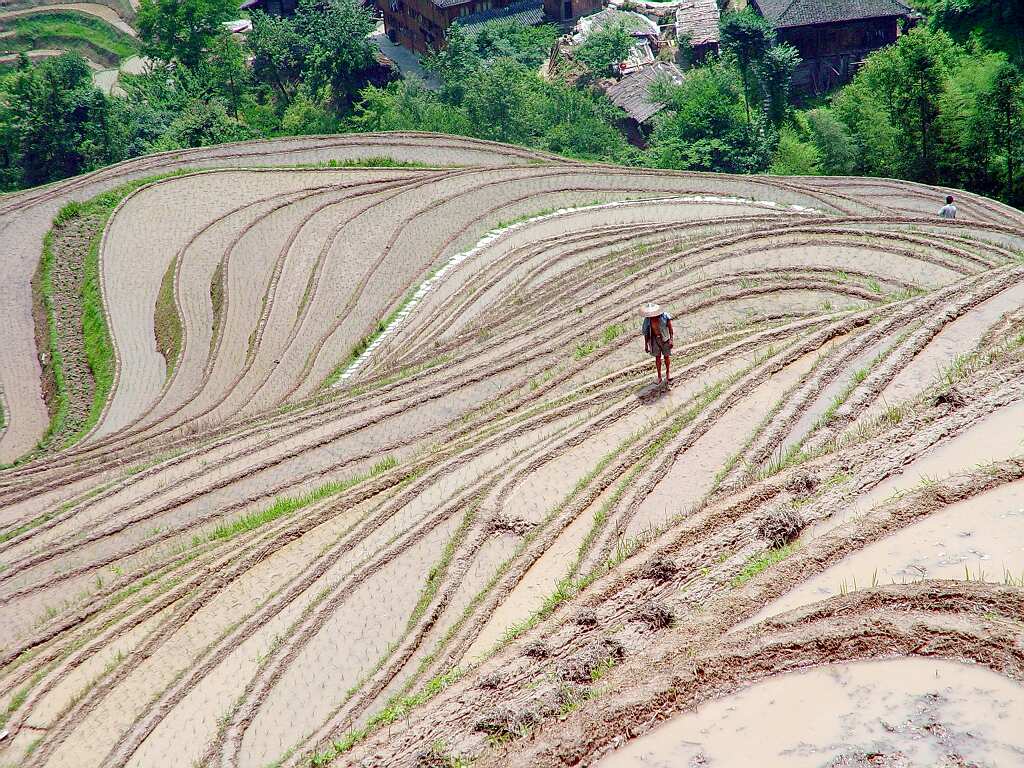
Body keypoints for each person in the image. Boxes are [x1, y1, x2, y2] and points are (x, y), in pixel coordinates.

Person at [640, 302, 673, 388]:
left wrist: (671, 339)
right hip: (654, 340)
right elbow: (645, 333)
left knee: (666, 357)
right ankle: (659, 376)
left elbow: (670, 328)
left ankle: (668, 373)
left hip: (665, 338)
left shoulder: (664, 316)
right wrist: (646, 345)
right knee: (657, 358)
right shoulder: (648, 320)